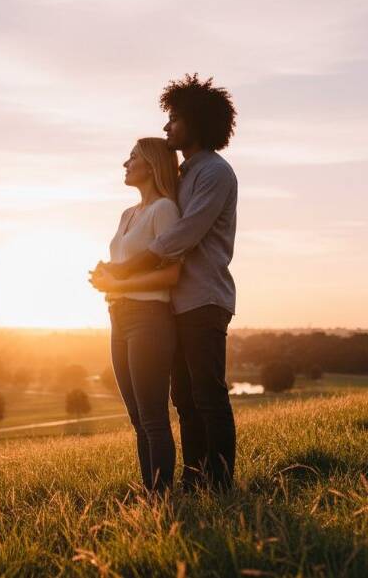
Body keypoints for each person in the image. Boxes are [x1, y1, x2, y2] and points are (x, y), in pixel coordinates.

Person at [103, 74, 239, 491]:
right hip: (173, 305)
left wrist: (126, 271)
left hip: (203, 299)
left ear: (196, 122)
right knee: (183, 397)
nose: (167, 127)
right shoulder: (183, 175)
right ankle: (193, 479)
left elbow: (184, 233)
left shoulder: (214, 172)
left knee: (207, 395)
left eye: (175, 119)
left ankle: (219, 484)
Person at [89, 137, 181, 497]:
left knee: (154, 418)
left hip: (149, 317)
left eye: (132, 158)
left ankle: (163, 498)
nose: (125, 164)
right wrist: (105, 275)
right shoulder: (128, 214)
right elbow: (124, 266)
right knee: (137, 420)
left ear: (152, 165)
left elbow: (172, 275)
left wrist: (120, 278)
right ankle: (151, 493)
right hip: (119, 315)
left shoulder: (165, 210)